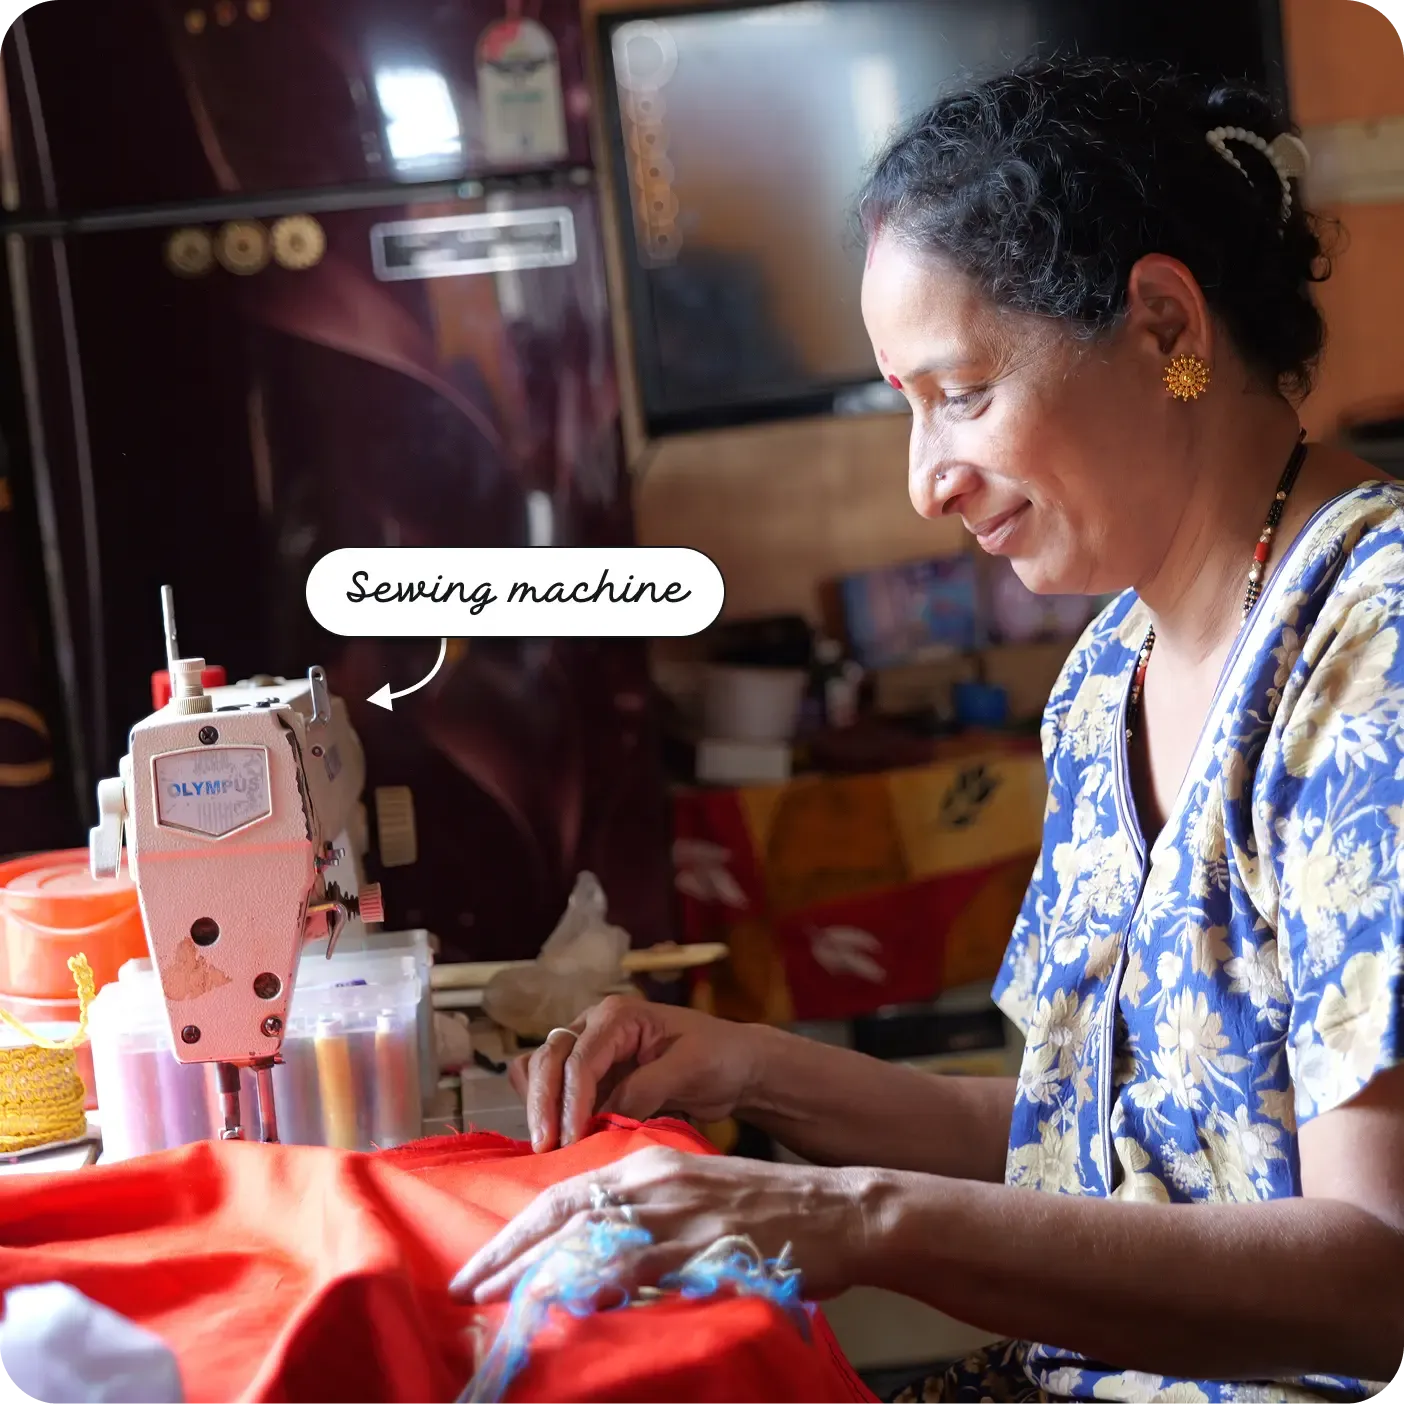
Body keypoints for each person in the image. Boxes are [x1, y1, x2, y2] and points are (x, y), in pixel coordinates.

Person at [449, 57, 1404, 1403]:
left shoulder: (1373, 653)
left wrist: (853, 1222)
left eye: (959, 394)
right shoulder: (1106, 680)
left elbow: (1378, 1279)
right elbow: (1084, 1158)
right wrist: (752, 1071)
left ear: (1166, 329)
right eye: (906, 405)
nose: (924, 482)